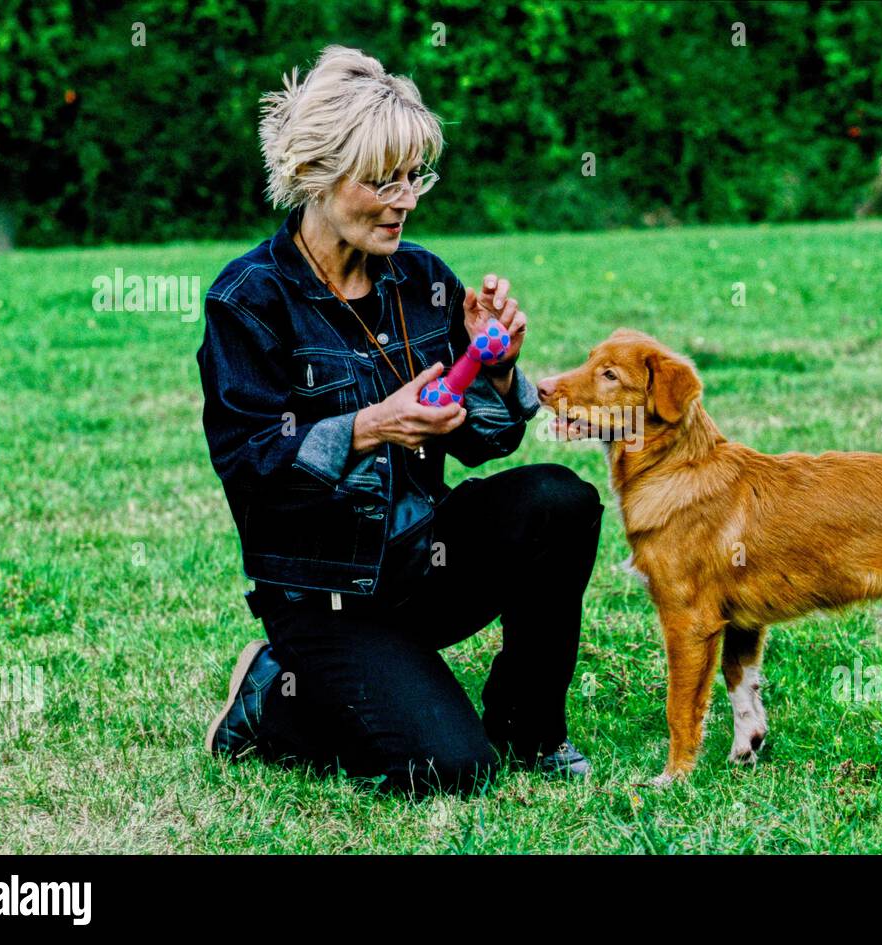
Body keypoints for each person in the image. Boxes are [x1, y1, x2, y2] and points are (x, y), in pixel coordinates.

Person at [197, 46, 603, 795]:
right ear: (314, 175)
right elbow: (250, 466)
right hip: (323, 598)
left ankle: (530, 729)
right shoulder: (248, 300)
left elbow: (487, 440)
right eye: (382, 180)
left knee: (560, 500)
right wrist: (368, 427)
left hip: (422, 561)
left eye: (415, 175)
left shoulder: (422, 278)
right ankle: (268, 694)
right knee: (449, 768)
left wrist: (498, 366)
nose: (405, 199)